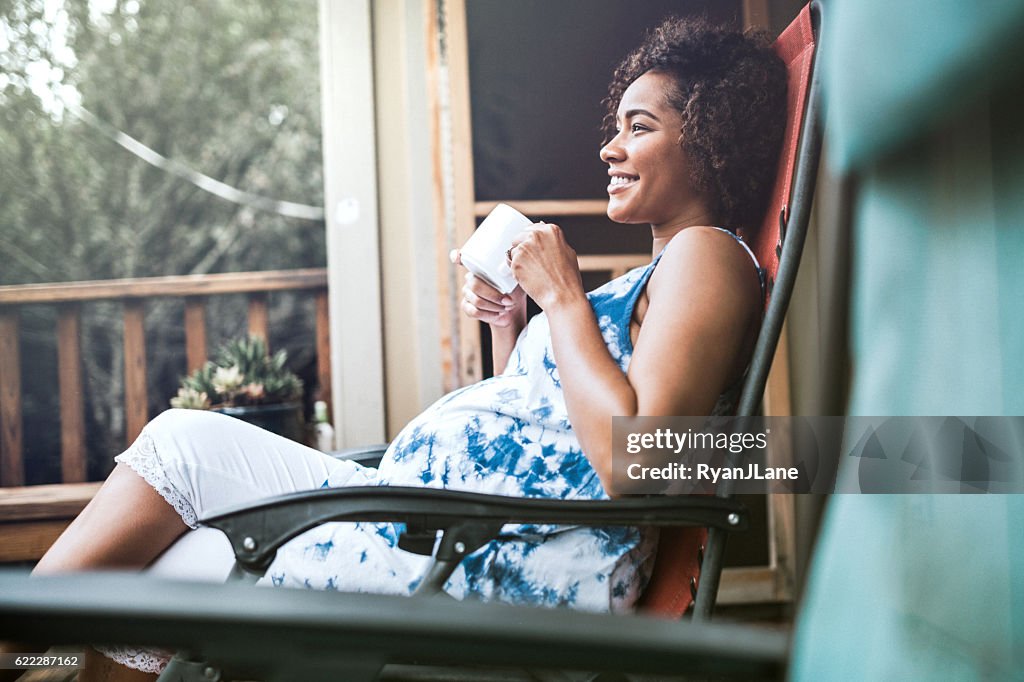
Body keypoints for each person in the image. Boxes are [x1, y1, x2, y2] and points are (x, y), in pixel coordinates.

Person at [14, 16, 786, 681]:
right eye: (615, 127)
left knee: (177, 487)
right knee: (167, 520)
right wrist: (516, 327)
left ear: (710, 137)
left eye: (639, 126)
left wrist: (564, 300)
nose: (610, 150)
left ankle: (15, 651)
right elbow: (554, 432)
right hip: (431, 527)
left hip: (484, 566)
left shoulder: (708, 255)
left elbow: (634, 461)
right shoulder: (661, 270)